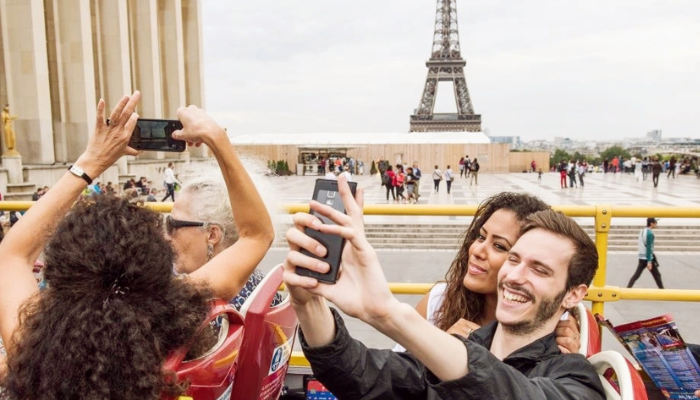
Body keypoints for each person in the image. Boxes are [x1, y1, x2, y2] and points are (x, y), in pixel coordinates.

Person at [0, 92, 275, 398]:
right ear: (155, 263)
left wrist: (91, 161)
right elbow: (256, 235)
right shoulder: (169, 318)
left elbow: (13, 255)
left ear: (60, 270)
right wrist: (217, 139)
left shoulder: (29, 344)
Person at [282, 178, 604, 399]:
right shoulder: (463, 341)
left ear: (574, 294)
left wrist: (389, 314)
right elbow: (363, 375)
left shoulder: (575, 377)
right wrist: (308, 302)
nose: (515, 276)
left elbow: (509, 390)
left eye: (539, 269)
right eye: (514, 259)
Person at [396, 192, 580, 355]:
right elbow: (396, 378)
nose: (477, 250)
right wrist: (441, 349)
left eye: (499, 246)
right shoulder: (440, 302)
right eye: (481, 237)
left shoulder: (559, 327)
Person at [627, 218, 664, 289]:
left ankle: (628, 287)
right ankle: (662, 290)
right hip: (647, 257)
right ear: (651, 223)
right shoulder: (650, 234)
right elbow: (649, 247)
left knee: (636, 275)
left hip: (641, 257)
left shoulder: (642, 231)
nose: (656, 224)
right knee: (657, 275)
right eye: (655, 222)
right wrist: (649, 261)